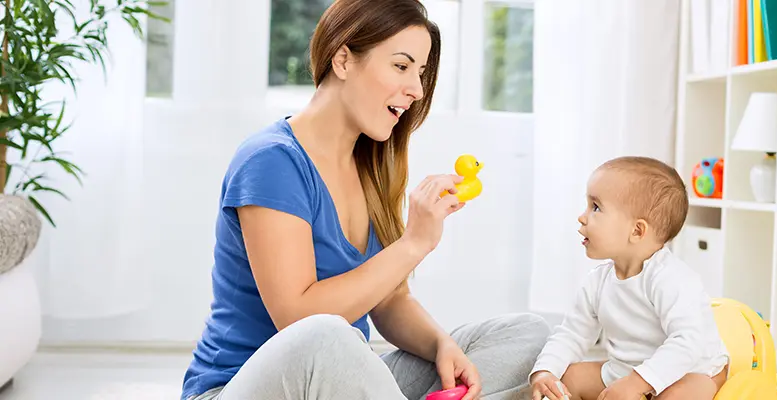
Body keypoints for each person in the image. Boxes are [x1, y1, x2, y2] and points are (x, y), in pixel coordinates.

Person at [180, 1, 550, 399]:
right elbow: (299, 320)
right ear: (343, 59)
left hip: (341, 377)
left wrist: (441, 345)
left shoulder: (372, 164)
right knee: (327, 335)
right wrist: (413, 244)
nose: (417, 90)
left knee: (526, 334)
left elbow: (390, 299)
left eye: (421, 73)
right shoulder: (271, 162)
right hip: (241, 388)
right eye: (402, 66)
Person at [528, 157, 730, 400]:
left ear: (637, 231)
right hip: (627, 370)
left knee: (680, 394)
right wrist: (546, 370)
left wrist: (638, 383)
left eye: (595, 207)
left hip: (690, 371)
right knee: (569, 379)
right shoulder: (597, 282)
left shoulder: (671, 279)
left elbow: (688, 343)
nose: (582, 217)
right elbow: (572, 333)